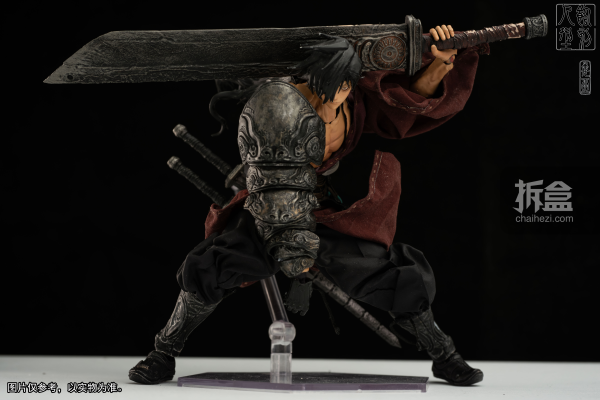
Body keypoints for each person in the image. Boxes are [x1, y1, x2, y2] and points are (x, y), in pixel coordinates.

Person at [129, 24, 488, 386]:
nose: (336, 98)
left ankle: (444, 355)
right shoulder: (276, 109)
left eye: (344, 88)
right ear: (311, 79)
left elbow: (402, 105)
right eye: (329, 89)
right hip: (269, 207)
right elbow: (275, 195)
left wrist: (439, 64)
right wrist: (297, 262)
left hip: (321, 206)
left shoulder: (351, 100)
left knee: (393, 272)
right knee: (214, 264)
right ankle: (163, 353)